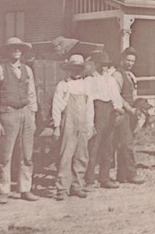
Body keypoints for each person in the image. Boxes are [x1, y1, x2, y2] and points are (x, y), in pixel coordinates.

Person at [0, 37, 39, 205]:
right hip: (8, 114)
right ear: (7, 51)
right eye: (13, 48)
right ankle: (4, 191)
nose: (16, 51)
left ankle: (25, 189)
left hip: (26, 113)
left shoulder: (27, 70)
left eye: (19, 48)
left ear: (22, 51)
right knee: (5, 156)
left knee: (27, 155)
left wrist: (33, 114)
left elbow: (32, 94)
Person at [51, 53, 94, 200]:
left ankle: (77, 186)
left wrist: (90, 125)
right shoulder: (63, 85)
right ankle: (62, 188)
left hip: (83, 123)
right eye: (74, 68)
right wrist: (56, 126)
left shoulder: (85, 85)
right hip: (68, 123)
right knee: (66, 155)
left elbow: (90, 107)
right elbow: (56, 107)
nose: (76, 71)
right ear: (69, 69)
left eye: (79, 68)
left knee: (82, 156)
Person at [84, 50, 124, 189]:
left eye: (106, 65)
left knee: (108, 145)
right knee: (94, 146)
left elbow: (116, 97)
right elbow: (88, 99)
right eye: (101, 64)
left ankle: (104, 178)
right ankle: (89, 179)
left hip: (110, 112)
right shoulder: (90, 80)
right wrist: (91, 120)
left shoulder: (111, 79)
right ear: (95, 64)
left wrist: (118, 111)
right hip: (96, 110)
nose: (103, 68)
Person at [112, 47, 146, 184]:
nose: (130, 63)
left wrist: (139, 108)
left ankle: (122, 175)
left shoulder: (131, 76)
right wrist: (129, 108)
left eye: (132, 61)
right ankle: (132, 174)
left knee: (124, 144)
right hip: (122, 113)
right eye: (128, 60)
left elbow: (133, 94)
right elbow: (117, 96)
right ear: (121, 60)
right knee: (127, 144)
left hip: (131, 112)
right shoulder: (117, 75)